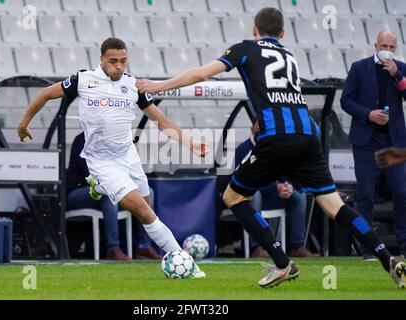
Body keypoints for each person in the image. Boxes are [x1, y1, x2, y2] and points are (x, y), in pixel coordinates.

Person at [137, 7, 406, 288]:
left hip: (276, 138)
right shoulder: (290, 56)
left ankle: (281, 262)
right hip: (307, 136)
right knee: (334, 204)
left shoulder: (245, 49)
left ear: (254, 31)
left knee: (233, 196)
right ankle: (388, 258)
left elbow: (202, 73)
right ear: (283, 33)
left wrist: (158, 86)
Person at [17, 37, 208, 278]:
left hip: (129, 157)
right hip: (101, 162)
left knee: (147, 209)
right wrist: (24, 123)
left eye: (124, 61)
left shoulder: (133, 86)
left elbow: (161, 121)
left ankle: (98, 188)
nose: (119, 66)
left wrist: (189, 142)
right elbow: (45, 94)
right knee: (144, 211)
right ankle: (187, 264)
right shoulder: (83, 80)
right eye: (113, 61)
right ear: (102, 60)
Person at [341, 29, 406, 260]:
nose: (387, 51)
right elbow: (346, 100)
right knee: (365, 193)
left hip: (393, 140)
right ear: (375, 45)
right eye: (384, 46)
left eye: (391, 47)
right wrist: (368, 114)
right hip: (365, 140)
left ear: (395, 48)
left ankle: (404, 245)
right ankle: (368, 248)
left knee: (402, 191)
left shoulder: (401, 68)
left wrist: (397, 76)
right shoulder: (360, 68)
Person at [67, 132, 162, 260]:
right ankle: (113, 248)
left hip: (108, 186)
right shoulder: (82, 140)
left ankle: (143, 245)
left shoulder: (113, 139)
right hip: (78, 192)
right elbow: (93, 174)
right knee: (109, 193)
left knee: (148, 191)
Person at [234, 122, 315, 258]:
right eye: (258, 130)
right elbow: (245, 180)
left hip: (273, 196)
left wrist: (287, 186)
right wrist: (274, 187)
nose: (261, 133)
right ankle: (257, 247)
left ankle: (297, 246)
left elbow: (286, 171)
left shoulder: (276, 147)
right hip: (254, 195)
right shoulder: (243, 150)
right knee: (255, 195)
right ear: (252, 129)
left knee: (298, 197)